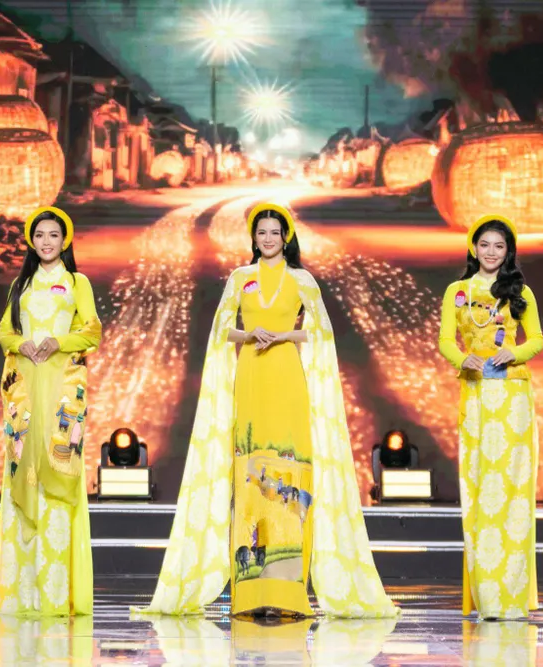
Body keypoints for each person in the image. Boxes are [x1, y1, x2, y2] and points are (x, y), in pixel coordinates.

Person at [137, 202, 397, 619]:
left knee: (290, 470)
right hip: (251, 376)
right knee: (250, 471)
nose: (269, 239)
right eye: (262, 233)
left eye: (276, 232)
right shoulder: (240, 278)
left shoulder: (302, 280)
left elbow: (321, 331)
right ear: (254, 238)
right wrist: (247, 333)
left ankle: (289, 592)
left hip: (288, 377)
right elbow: (221, 330)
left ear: (286, 237)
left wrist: (284, 335)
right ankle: (251, 593)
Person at [0, 206, 102, 616]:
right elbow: (5, 331)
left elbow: (92, 330)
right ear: (31, 240)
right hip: (25, 387)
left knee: (58, 463)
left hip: (60, 387)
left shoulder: (76, 282)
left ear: (65, 240)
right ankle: (23, 594)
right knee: (24, 467)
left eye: (54, 235)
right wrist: (20, 345)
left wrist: (58, 342)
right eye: (40, 235)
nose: (46, 242)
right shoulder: (20, 283)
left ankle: (56, 593)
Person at [438, 215, 542, 621]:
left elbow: (537, 339)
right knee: (481, 487)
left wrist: (513, 352)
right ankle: (485, 590)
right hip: (477, 394)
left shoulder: (521, 291)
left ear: (508, 251)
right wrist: (463, 359)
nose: (491, 252)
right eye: (485, 245)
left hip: (513, 400)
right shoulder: (458, 291)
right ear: (473, 247)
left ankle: (511, 593)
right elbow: (445, 340)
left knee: (511, 489)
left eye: (499, 246)